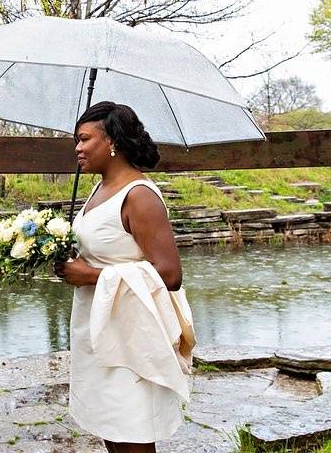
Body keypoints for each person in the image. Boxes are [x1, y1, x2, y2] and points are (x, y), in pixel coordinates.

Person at [55, 101, 195, 453]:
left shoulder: (139, 196)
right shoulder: (98, 189)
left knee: (132, 433)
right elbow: (107, 247)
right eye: (76, 139)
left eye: (85, 139)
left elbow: (170, 274)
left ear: (112, 142)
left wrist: (89, 275)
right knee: (110, 427)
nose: (77, 147)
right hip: (96, 325)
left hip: (132, 332)